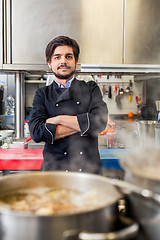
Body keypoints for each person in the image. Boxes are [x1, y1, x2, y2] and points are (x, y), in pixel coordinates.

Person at [29, 36, 108, 174]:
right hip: (54, 172)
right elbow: (36, 132)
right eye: (57, 57)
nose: (63, 61)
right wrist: (84, 124)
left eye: (68, 56)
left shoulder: (90, 88)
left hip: (87, 172)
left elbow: (100, 121)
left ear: (75, 61)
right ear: (49, 63)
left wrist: (58, 119)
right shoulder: (42, 94)